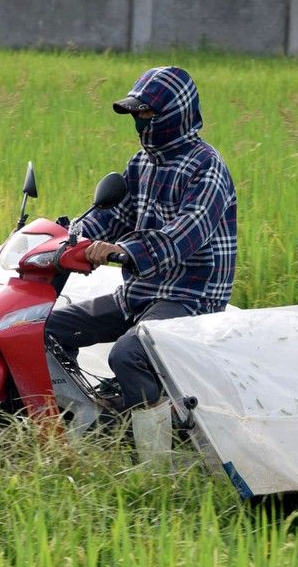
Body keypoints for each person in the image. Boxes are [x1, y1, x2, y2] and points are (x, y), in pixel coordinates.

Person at [45, 66, 237, 434]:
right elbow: (112, 217)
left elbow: (183, 236)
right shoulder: (141, 163)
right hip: (140, 293)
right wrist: (67, 238)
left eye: (147, 113)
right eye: (136, 113)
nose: (140, 120)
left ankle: (155, 460)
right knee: (46, 329)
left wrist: (122, 250)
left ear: (175, 114)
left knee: (129, 354)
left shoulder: (206, 167)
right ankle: (95, 421)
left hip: (190, 299)